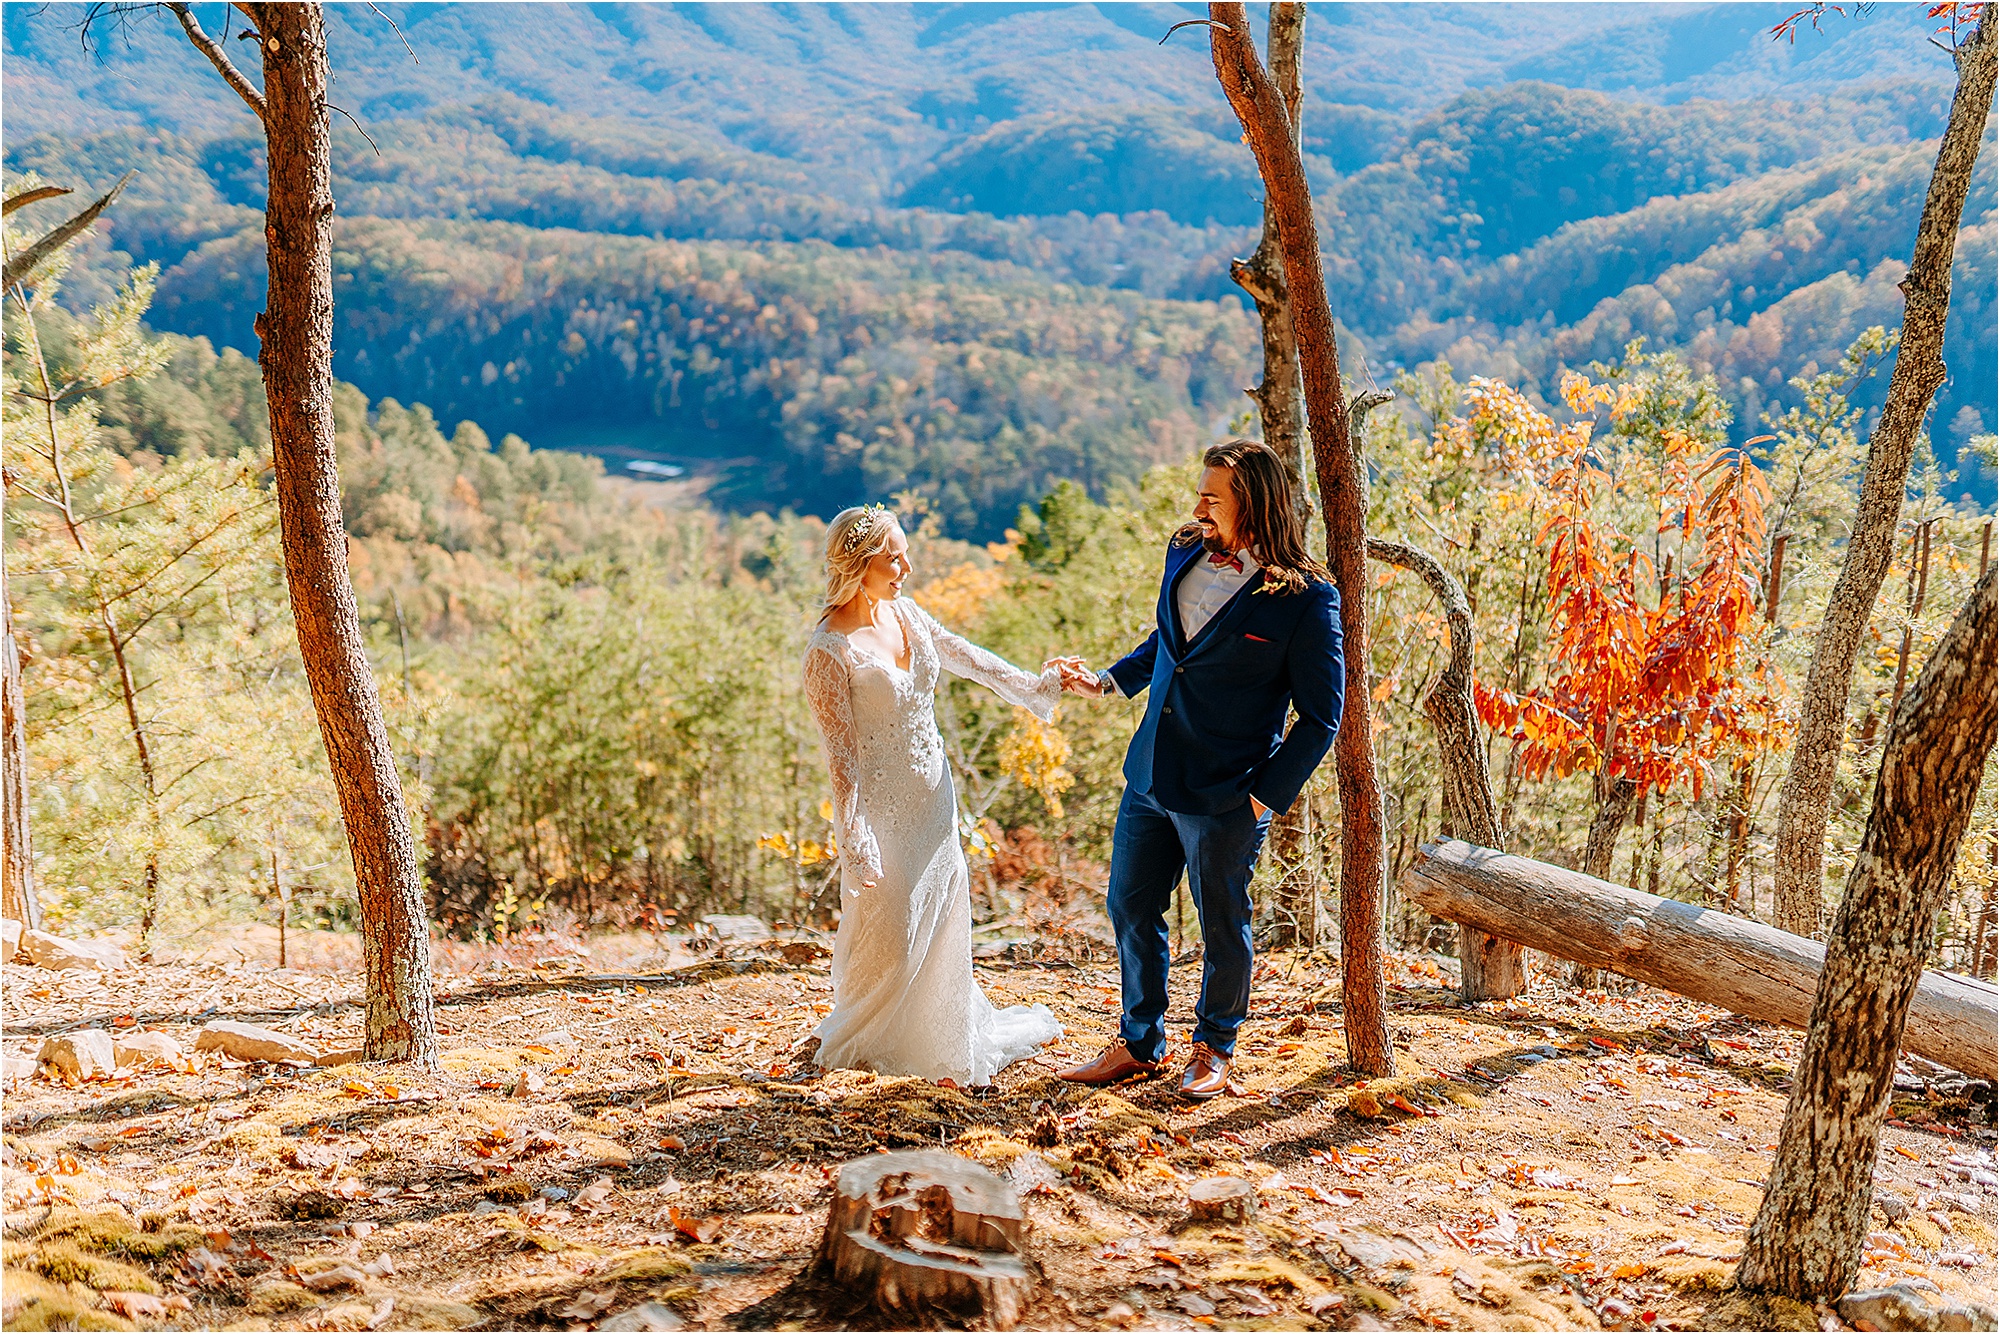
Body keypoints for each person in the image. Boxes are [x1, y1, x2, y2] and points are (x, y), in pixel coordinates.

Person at [1051, 439, 1344, 1099]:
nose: (1197, 507)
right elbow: (1169, 641)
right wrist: (1106, 682)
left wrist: (1262, 801)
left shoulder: (1307, 598)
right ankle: (1139, 1042)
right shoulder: (1184, 548)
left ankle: (1214, 1047)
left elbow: (1323, 716)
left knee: (1220, 925)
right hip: (1150, 774)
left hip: (1226, 793)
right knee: (1128, 904)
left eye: (1212, 497)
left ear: (1254, 504)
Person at [801, 504, 1064, 1084]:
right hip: (881, 809)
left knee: (942, 920)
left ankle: (942, 1040)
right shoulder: (828, 651)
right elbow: (841, 759)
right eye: (894, 556)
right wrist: (855, 836)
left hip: (934, 794)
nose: (907, 566)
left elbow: (968, 658)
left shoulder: (909, 616)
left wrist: (1034, 686)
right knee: (891, 931)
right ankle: (867, 1039)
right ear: (859, 563)